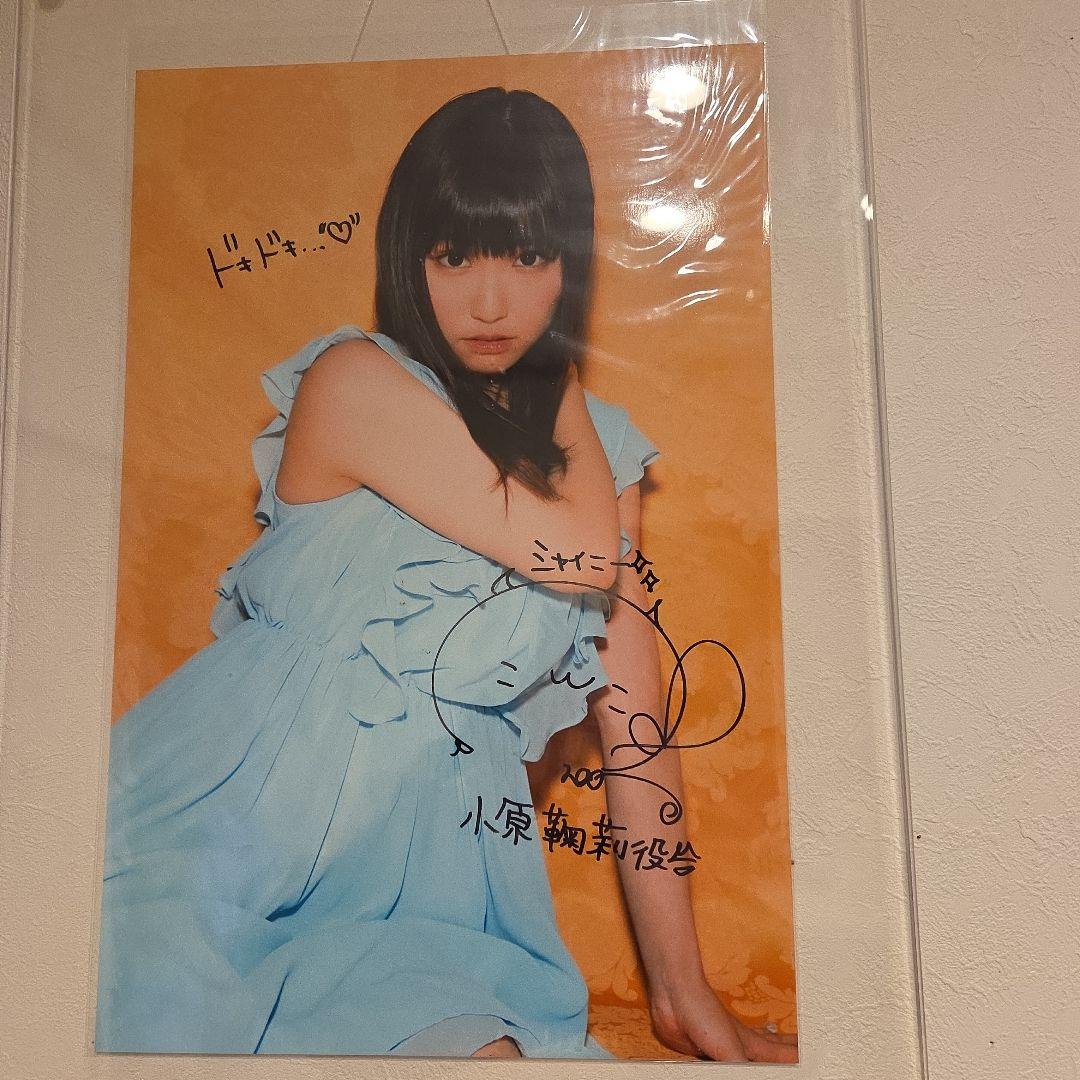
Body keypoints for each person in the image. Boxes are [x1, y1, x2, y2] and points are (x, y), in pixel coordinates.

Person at [95, 86, 797, 1063]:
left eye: (529, 255)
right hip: (222, 852)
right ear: (407, 257)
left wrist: (684, 993)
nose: (491, 302)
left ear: (572, 265)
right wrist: (562, 381)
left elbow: (632, 715)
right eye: (454, 255)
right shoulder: (354, 383)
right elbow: (583, 555)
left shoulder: (593, 457)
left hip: (425, 886)